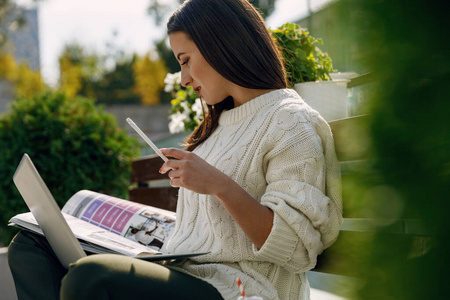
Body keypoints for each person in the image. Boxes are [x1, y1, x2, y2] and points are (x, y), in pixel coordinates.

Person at [7, 0, 342, 299]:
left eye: (185, 60)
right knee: (31, 246)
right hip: (185, 273)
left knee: (92, 279)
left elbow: (298, 249)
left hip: (240, 288)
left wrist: (218, 184)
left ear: (220, 46)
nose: (183, 78)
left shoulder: (290, 123)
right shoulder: (218, 126)